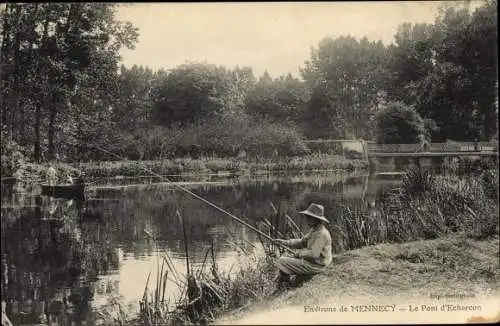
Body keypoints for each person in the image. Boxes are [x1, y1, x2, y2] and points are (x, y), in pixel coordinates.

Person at [273, 203, 333, 289]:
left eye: (309, 217)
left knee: (282, 261)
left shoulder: (321, 234)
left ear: (315, 219)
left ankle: (285, 285)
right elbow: (301, 242)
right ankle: (284, 283)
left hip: (317, 266)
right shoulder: (314, 230)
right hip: (313, 262)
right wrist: (284, 242)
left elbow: (314, 253)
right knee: (285, 258)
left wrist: (299, 254)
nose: (306, 219)